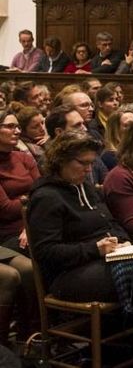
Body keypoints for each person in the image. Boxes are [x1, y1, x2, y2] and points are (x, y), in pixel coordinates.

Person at [27, 132, 133, 365]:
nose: (89, 169)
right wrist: (94, 249)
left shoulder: (85, 187)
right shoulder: (46, 197)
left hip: (106, 261)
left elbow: (113, 224)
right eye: (83, 163)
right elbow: (46, 253)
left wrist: (122, 240)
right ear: (61, 160)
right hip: (69, 276)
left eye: (91, 163)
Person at [0, 111, 37, 342]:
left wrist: (29, 224)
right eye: (10, 126)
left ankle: (40, 331)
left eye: (17, 127)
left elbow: (43, 192)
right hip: (5, 234)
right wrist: (27, 199)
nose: (17, 131)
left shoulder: (24, 157)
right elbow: (5, 209)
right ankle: (29, 334)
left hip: (30, 227)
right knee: (28, 268)